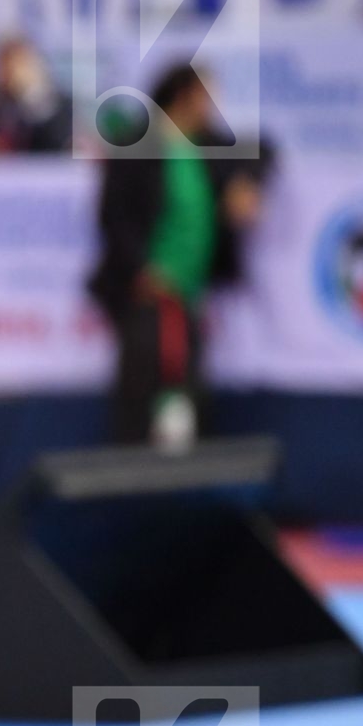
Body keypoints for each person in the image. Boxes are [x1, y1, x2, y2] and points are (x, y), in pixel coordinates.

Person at [88, 64, 268, 446]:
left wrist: (245, 182)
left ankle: (186, 492)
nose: (212, 107)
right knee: (140, 392)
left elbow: (263, 149)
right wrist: (141, 270)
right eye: (206, 96)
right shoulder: (137, 143)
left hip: (189, 296)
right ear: (184, 95)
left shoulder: (204, 145)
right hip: (147, 294)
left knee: (191, 393)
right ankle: (128, 486)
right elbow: (112, 215)